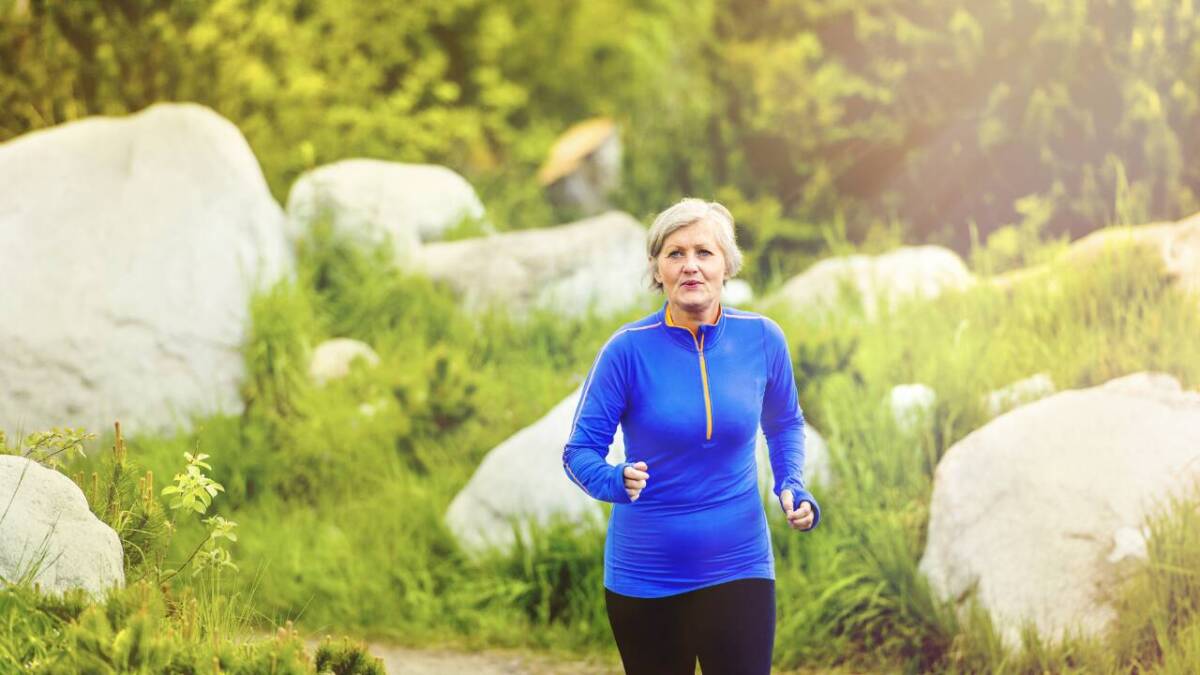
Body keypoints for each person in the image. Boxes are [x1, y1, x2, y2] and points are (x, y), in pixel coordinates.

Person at [562, 198, 820, 675]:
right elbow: (579, 451)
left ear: (727, 266)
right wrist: (613, 480)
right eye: (675, 254)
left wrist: (791, 484)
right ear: (657, 270)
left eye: (704, 252)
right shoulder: (626, 350)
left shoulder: (763, 338)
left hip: (740, 566)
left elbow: (784, 423)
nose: (690, 266)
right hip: (645, 576)